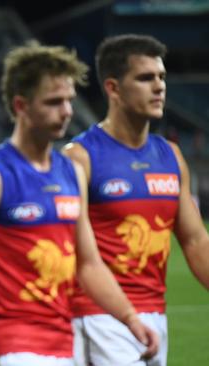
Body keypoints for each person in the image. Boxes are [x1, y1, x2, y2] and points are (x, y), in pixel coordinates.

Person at [0, 42, 159, 366]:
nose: (66, 110)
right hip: (11, 345)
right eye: (53, 102)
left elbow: (89, 264)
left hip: (63, 345)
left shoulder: (72, 173)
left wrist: (131, 319)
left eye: (69, 100)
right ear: (21, 106)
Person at [63, 34, 209, 366]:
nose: (159, 87)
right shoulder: (80, 158)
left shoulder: (170, 156)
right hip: (98, 316)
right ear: (113, 88)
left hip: (155, 315)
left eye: (161, 77)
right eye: (145, 78)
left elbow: (195, 238)